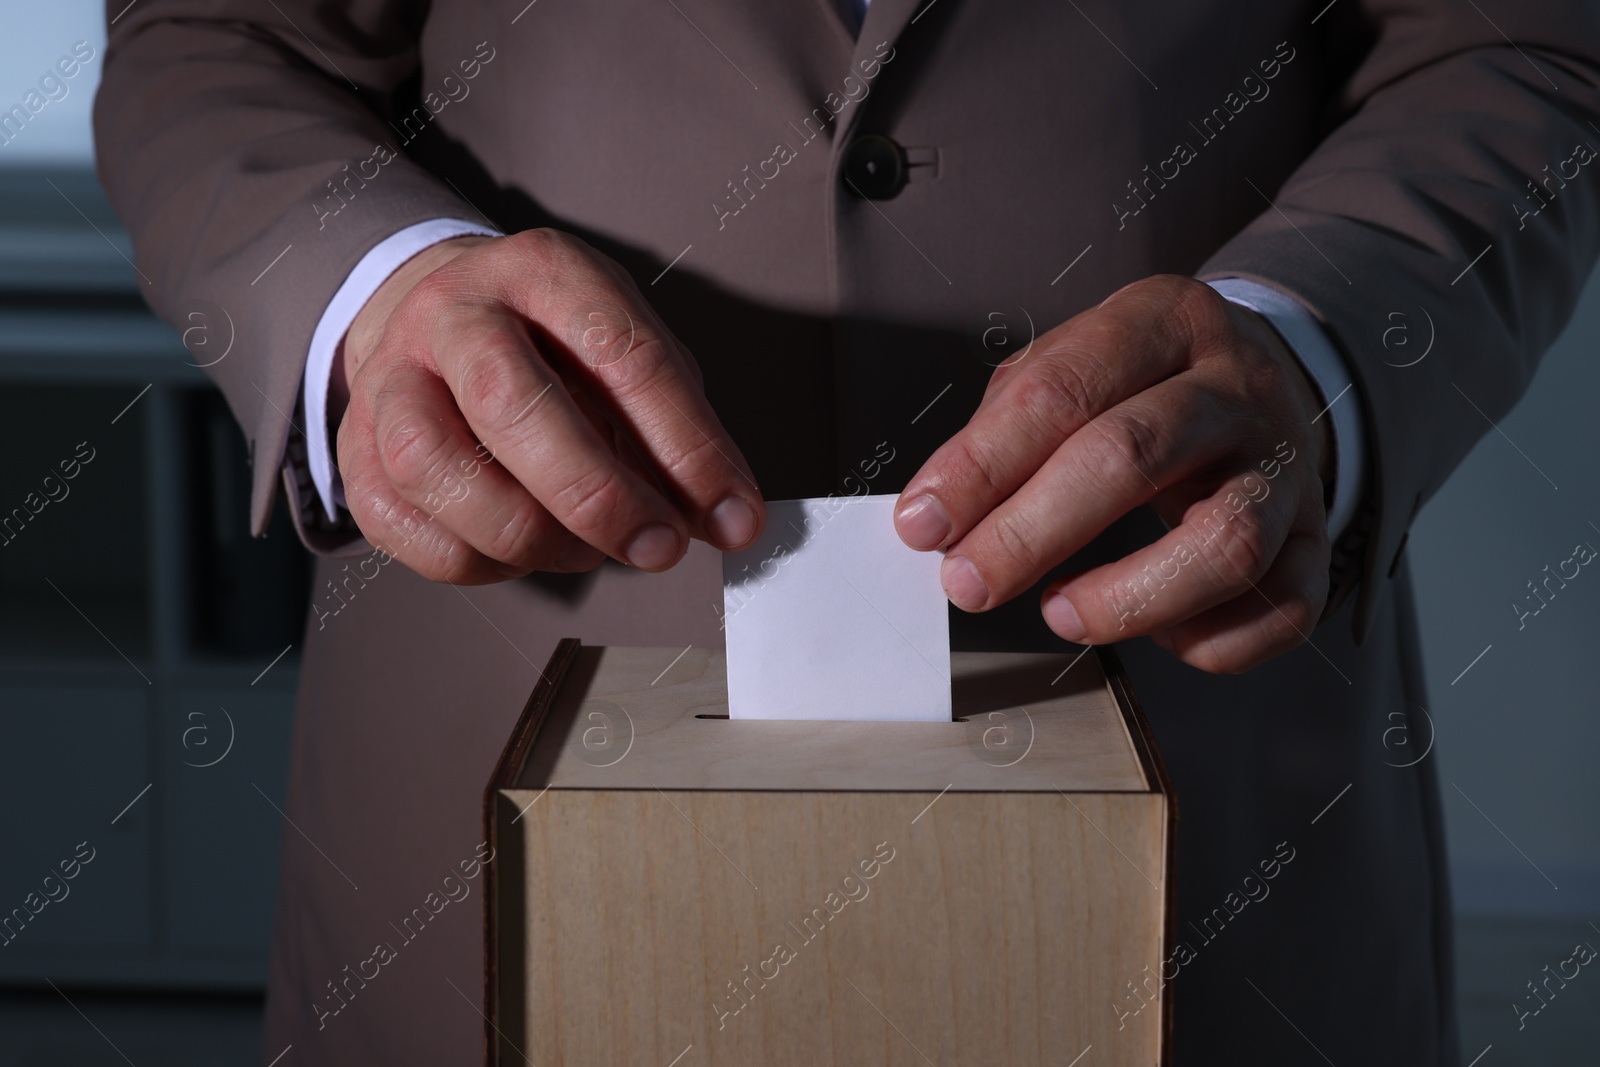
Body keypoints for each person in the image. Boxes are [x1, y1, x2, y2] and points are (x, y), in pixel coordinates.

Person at [93, 0, 1600, 1063]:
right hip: (496, 798)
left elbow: (1519, 42)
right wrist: (377, 293)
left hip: (1202, 793)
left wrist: (1314, 338)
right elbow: (209, 38)